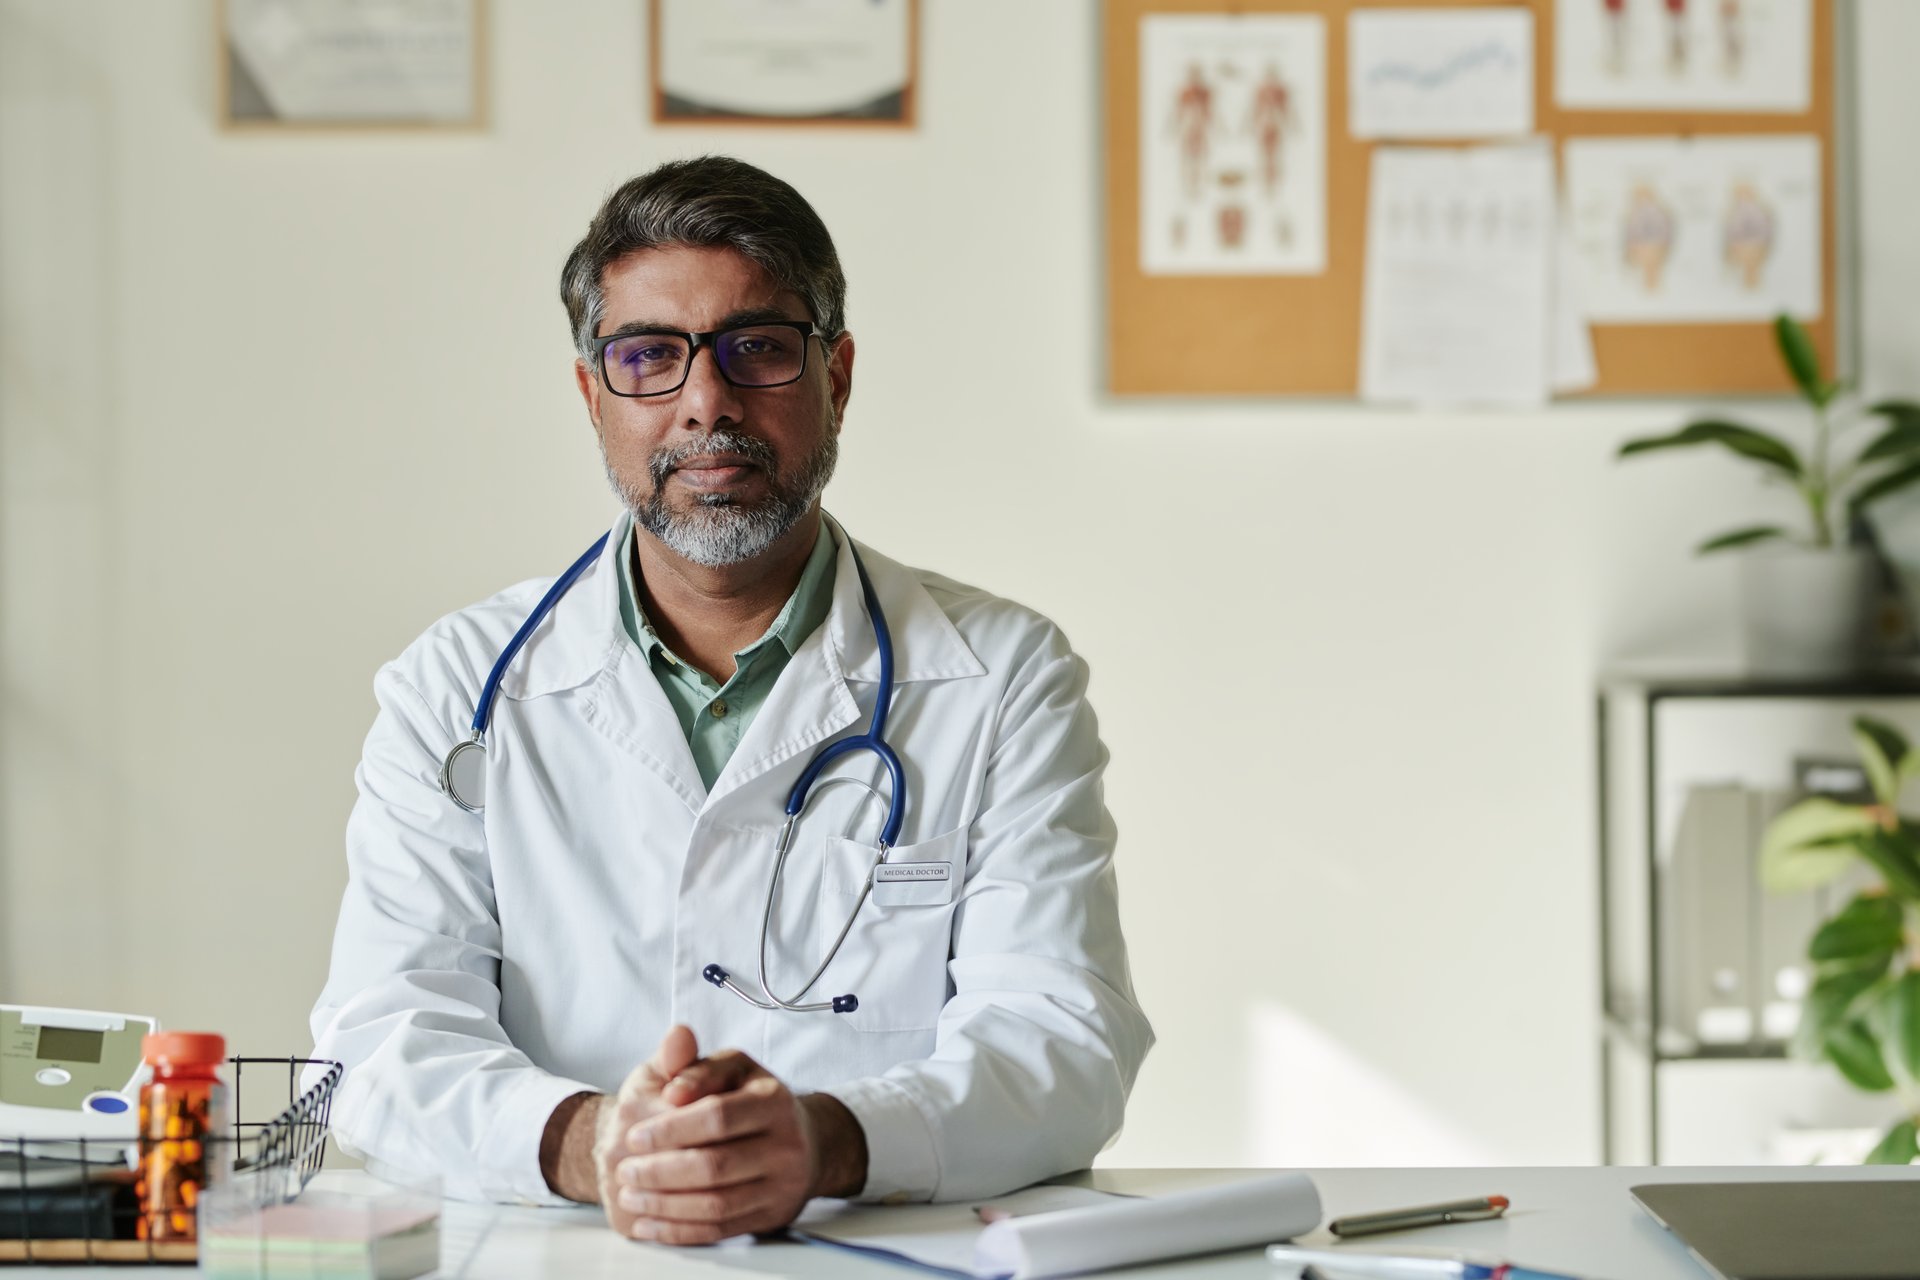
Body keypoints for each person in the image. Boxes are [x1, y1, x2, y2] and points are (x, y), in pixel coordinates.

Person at [307, 156, 1153, 1245]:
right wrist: (595, 1141)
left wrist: (828, 1139)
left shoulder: (1003, 674)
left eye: (756, 347)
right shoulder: (453, 686)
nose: (705, 401)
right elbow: (383, 1039)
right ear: (593, 396)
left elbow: (1064, 1036)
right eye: (648, 356)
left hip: (879, 1255)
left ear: (836, 375)